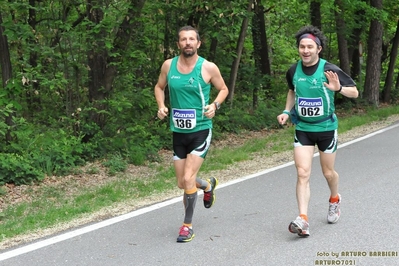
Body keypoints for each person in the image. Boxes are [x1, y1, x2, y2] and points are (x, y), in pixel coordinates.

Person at [277, 25, 359, 237]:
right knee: (302, 172)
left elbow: (355, 92)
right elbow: (291, 91)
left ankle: (334, 199)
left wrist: (338, 88)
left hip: (326, 128)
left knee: (328, 173)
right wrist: (287, 111)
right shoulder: (293, 71)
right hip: (303, 128)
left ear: (318, 49)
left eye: (310, 47)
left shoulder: (328, 69)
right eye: (302, 46)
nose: (305, 50)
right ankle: (303, 220)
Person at [154, 25, 229, 242]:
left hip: (200, 129)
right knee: (182, 182)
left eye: (191, 39)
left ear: (198, 43)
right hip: (178, 131)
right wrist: (161, 106)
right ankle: (207, 185)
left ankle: (187, 226)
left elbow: (223, 89)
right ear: (178, 44)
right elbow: (159, 87)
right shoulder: (169, 66)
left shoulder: (208, 67)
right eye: (183, 39)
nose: (187, 43)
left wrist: (215, 105)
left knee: (188, 178)